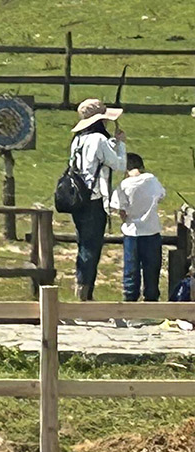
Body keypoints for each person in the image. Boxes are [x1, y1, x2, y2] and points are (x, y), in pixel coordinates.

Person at [67, 97, 127, 301]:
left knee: (83, 245)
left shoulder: (78, 140)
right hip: (94, 200)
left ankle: (81, 288)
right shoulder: (99, 140)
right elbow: (118, 165)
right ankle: (85, 295)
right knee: (91, 248)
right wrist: (121, 145)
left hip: (78, 199)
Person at [110, 151, 165, 306]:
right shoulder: (152, 180)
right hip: (152, 230)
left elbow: (120, 209)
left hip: (132, 231)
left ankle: (130, 303)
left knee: (131, 270)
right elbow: (161, 195)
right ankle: (152, 301)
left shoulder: (124, 185)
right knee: (152, 269)